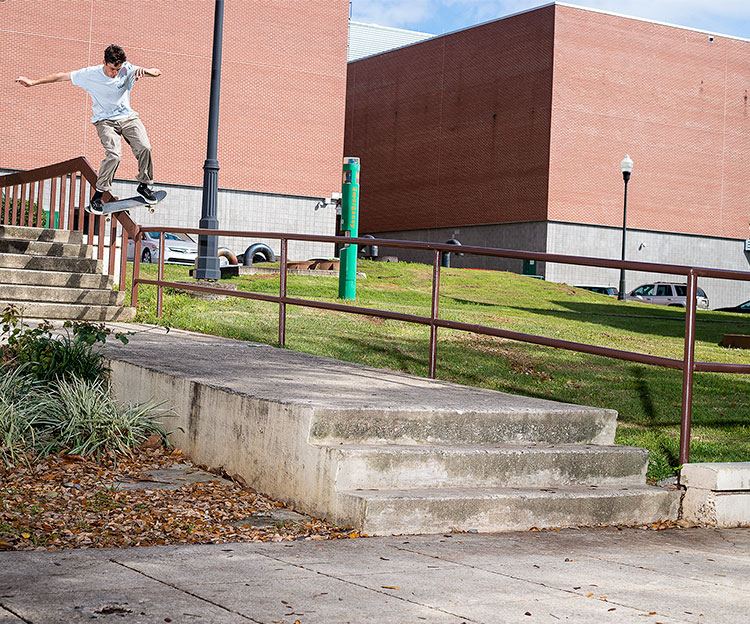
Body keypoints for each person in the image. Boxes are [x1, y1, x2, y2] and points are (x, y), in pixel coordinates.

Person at [16, 44, 161, 213]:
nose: (115, 73)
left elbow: (156, 72)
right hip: (105, 121)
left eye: (118, 69)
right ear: (104, 62)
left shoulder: (127, 69)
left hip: (128, 118)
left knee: (145, 147)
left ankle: (144, 185)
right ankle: (98, 196)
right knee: (114, 154)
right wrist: (33, 82)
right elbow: (62, 76)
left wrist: (147, 72)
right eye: (112, 69)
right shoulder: (90, 74)